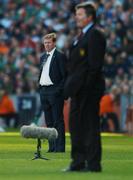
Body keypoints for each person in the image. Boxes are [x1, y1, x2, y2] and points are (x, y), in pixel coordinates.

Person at [64, 2, 106, 172]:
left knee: (89, 126)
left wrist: (86, 87)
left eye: (79, 14)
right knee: (76, 126)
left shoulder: (95, 35)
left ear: (89, 17)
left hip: (89, 89)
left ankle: (94, 164)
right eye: (76, 14)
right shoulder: (80, 36)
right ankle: (78, 161)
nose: (76, 17)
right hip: (77, 90)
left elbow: (94, 67)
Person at [39, 33, 67, 152]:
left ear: (54, 43)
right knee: (49, 122)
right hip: (44, 91)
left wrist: (58, 90)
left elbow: (65, 76)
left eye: (49, 42)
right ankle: (52, 147)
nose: (47, 45)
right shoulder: (43, 57)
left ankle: (60, 147)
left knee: (57, 120)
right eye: (45, 43)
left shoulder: (60, 56)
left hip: (54, 91)